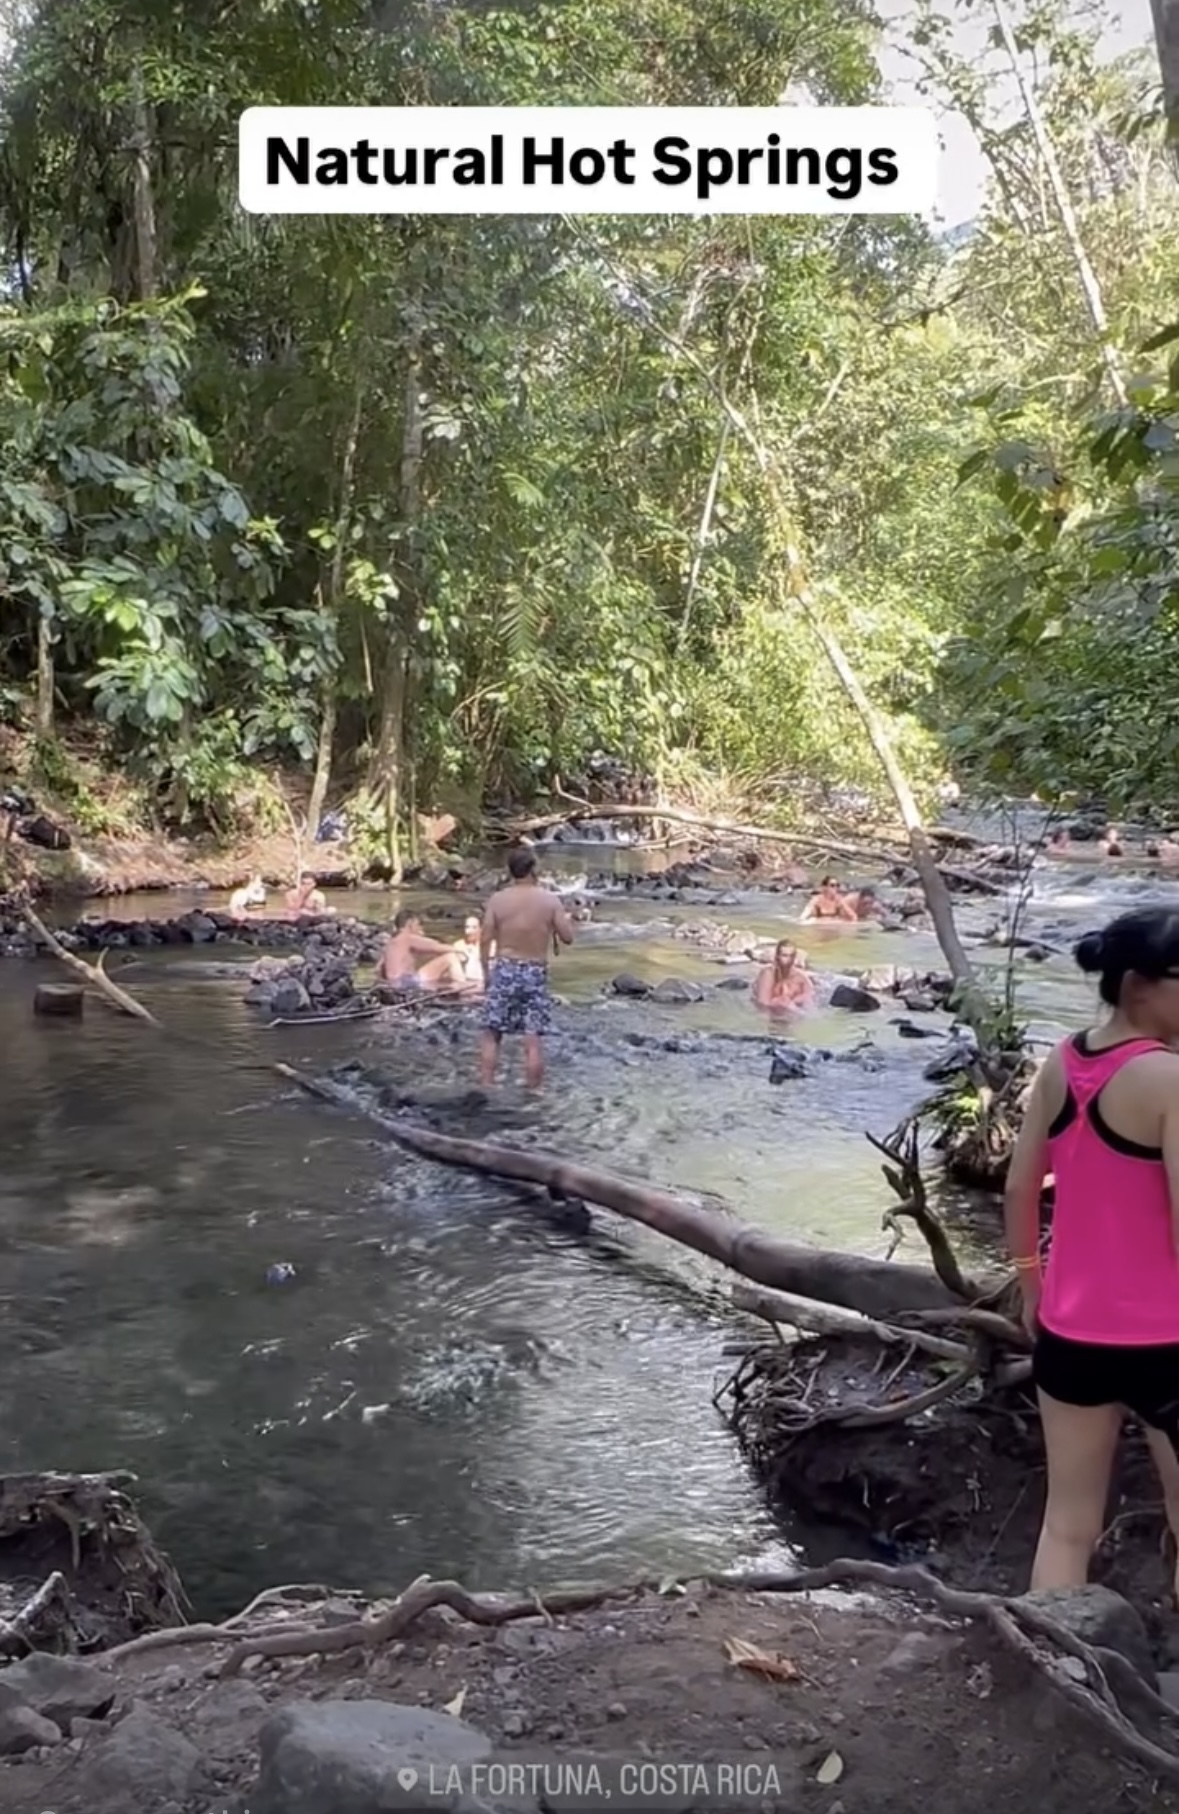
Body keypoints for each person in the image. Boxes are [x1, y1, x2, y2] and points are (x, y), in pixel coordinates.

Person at [1003, 906, 1179, 1597]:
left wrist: (1031, 1288)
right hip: (1166, 1340)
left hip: (1070, 1333)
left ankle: (1050, 1669)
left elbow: (1020, 1187)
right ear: (1140, 985)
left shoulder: (1063, 1060)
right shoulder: (1167, 1079)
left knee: (1066, 1523)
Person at [479, 849, 574, 1089]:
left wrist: (485, 973)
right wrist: (560, 921)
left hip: (505, 968)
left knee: (492, 1034)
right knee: (532, 1039)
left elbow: (485, 939)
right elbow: (568, 937)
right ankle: (533, 1094)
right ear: (533, 870)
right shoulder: (550, 900)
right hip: (534, 970)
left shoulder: (498, 900)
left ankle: (487, 1086)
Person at [380, 908, 467, 991]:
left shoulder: (391, 943)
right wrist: (460, 950)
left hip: (392, 984)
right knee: (450, 957)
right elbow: (435, 947)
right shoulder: (409, 938)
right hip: (407, 983)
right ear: (410, 925)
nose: (420, 928)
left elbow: (378, 968)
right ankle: (463, 988)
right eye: (418, 925)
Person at [752, 940, 814, 1015]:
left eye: (791, 956)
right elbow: (763, 1002)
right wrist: (779, 1003)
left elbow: (810, 996)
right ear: (777, 956)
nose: (788, 960)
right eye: (784, 955)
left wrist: (794, 1001)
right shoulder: (768, 974)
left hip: (790, 1013)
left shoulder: (801, 977)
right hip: (771, 1013)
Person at [453, 913, 488, 991]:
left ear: (481, 929)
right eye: (467, 927)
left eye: (474, 927)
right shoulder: (458, 945)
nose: (469, 931)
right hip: (465, 985)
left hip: (484, 984)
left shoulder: (491, 946)